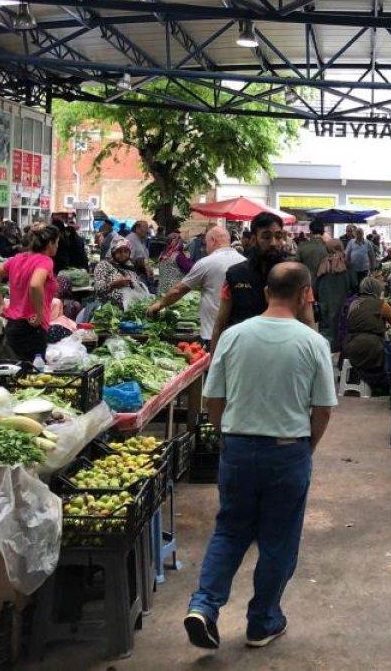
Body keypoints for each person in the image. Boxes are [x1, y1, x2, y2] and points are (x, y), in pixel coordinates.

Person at [185, 263, 336, 652]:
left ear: (267, 292)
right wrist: (307, 446)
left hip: (237, 447)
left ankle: (204, 606)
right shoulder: (313, 343)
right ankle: (261, 622)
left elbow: (212, 399)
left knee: (230, 530)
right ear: (306, 295)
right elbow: (322, 409)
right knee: (278, 540)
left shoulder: (234, 336)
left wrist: (226, 434)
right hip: (288, 451)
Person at [148, 226, 243, 345]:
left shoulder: (206, 262)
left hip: (212, 333)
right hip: (239, 333)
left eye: (205, 244)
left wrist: (158, 305)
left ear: (213, 240)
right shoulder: (244, 261)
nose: (205, 248)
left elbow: (178, 290)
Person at [211, 212, 290, 352]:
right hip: (242, 351)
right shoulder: (235, 274)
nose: (273, 243)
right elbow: (220, 323)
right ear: (253, 239)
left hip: (282, 351)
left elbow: (307, 321)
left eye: (278, 236)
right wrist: (213, 363)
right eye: (266, 237)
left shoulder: (293, 274)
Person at [0, 224, 59, 362]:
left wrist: (1, 304)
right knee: (31, 376)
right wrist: (39, 313)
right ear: (50, 243)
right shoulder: (45, 261)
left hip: (13, 325)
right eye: (57, 243)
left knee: (15, 373)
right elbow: (35, 284)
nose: (57, 247)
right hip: (32, 329)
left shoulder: (18, 258)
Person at [343, 276, 391, 394]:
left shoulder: (353, 303)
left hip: (350, 345)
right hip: (372, 348)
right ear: (377, 290)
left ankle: (358, 380)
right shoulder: (381, 305)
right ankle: (381, 386)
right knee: (389, 355)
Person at [91, 238, 141, 307]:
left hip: (131, 307)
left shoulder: (130, 267)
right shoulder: (103, 265)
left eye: (126, 251)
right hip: (109, 308)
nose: (123, 254)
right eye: (119, 251)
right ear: (113, 253)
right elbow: (98, 291)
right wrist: (114, 285)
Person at [125, 220, 152, 285]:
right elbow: (128, 259)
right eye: (145, 227)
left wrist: (148, 270)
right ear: (137, 228)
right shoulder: (131, 239)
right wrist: (144, 268)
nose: (147, 230)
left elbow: (144, 257)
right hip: (136, 276)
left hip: (142, 275)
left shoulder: (141, 239)